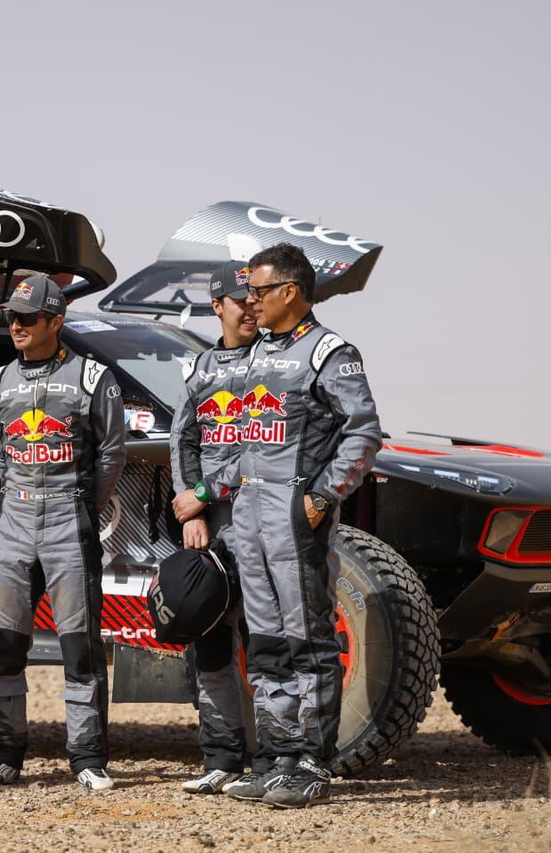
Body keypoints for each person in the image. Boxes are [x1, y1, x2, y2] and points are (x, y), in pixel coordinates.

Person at [188, 242, 381, 808]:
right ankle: (277, 759)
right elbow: (237, 441)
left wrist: (322, 498)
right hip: (247, 518)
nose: (251, 301)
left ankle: (313, 764)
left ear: (289, 291)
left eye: (260, 290)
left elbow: (363, 432)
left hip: (295, 521)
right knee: (267, 645)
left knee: (308, 641)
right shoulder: (253, 356)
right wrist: (206, 492)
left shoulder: (328, 352)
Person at [0, 274, 126, 791]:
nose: (15, 325)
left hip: (68, 521)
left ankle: (87, 759)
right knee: (3, 645)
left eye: (27, 317)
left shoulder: (93, 377)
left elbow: (111, 454)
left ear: (55, 321)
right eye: (11, 317)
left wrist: (82, 506)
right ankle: (2, 757)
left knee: (80, 648)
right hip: (14, 522)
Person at [168, 260, 260, 795]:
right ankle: (221, 759)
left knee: (266, 648)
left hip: (261, 523)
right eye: (240, 300)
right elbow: (183, 442)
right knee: (211, 646)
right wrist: (195, 512)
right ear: (217, 306)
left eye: (256, 299)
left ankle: (273, 761)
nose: (251, 308)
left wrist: (206, 493)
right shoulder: (199, 367)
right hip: (212, 531)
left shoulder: (274, 363)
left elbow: (265, 451)